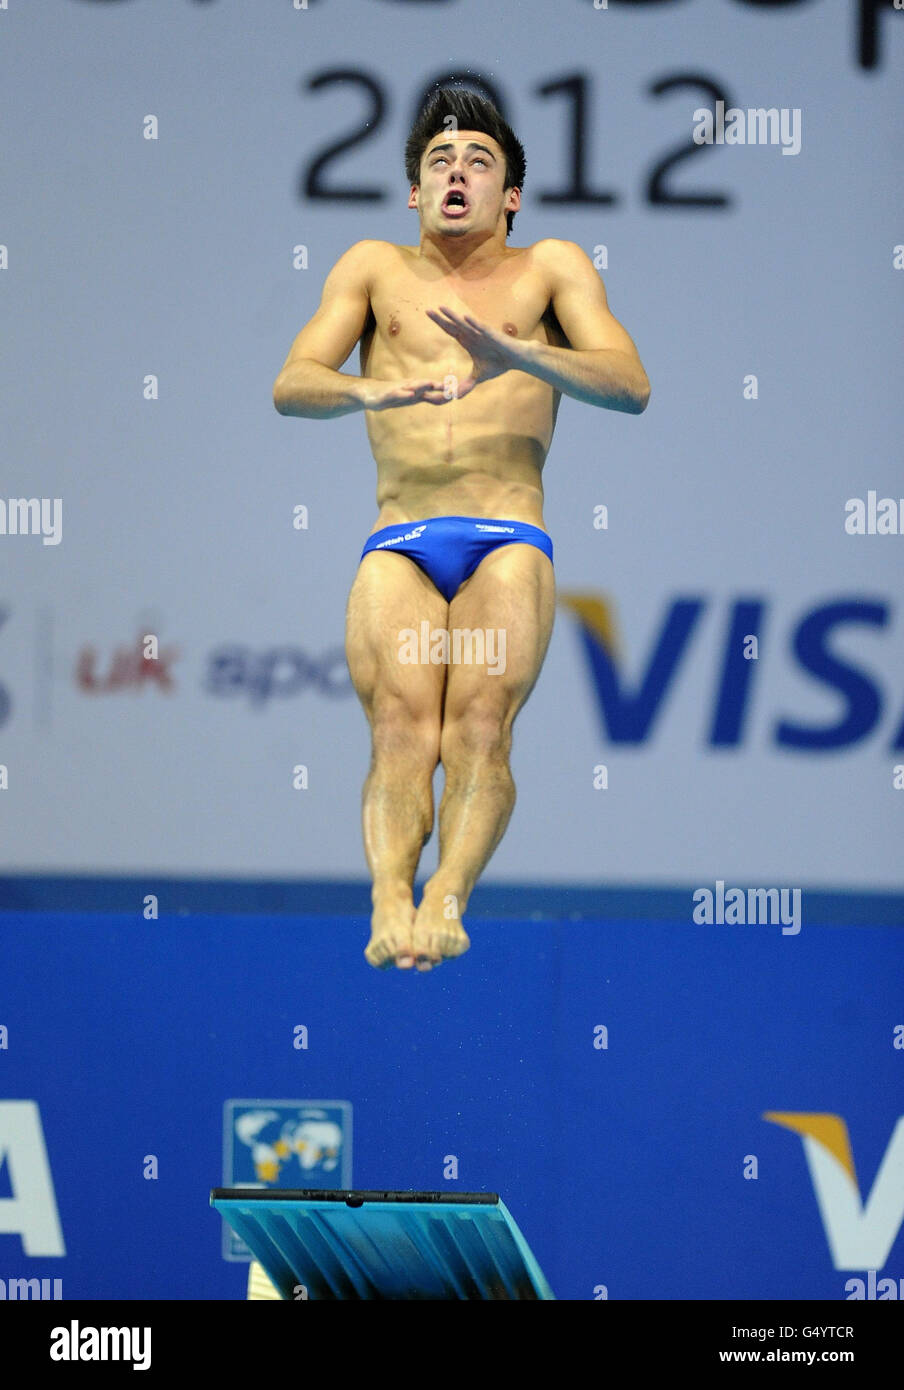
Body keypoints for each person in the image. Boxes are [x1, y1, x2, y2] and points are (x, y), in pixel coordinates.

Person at [273, 87, 650, 972]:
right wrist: (370, 388)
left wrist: (515, 352)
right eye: (440, 162)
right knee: (401, 733)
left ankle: (447, 894)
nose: (457, 174)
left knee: (479, 727)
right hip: (400, 534)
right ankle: (388, 898)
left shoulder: (550, 268)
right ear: (414, 193)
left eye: (479, 163)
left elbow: (629, 385)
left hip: (505, 533)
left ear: (510, 196)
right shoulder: (371, 267)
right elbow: (292, 383)